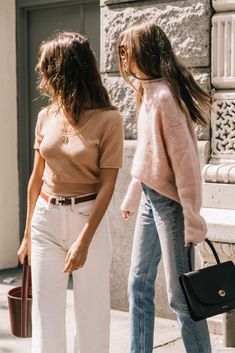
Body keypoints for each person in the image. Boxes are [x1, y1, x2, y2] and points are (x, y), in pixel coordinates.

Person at [17, 32, 124, 353]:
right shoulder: (45, 116)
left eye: (47, 66)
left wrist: (84, 240)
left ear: (65, 69)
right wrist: (26, 234)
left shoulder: (109, 120)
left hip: (86, 218)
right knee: (46, 312)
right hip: (46, 220)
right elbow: (36, 178)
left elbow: (108, 185)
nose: (41, 72)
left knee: (90, 314)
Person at [118, 22, 212, 353]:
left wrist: (191, 216)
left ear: (141, 53)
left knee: (182, 297)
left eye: (126, 49)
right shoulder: (145, 92)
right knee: (138, 283)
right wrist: (133, 195)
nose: (123, 56)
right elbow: (147, 155)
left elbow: (186, 163)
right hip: (149, 199)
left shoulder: (165, 97)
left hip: (172, 206)